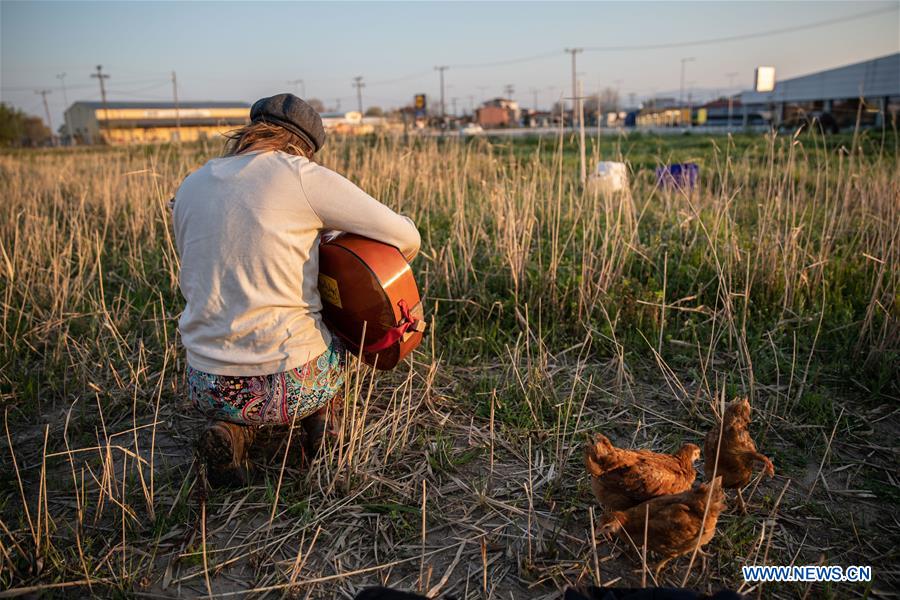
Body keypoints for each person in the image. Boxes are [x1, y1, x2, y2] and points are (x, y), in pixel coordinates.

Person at [172, 93, 420, 486]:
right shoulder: (301, 175)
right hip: (294, 382)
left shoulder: (191, 185)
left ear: (249, 132)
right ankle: (323, 422)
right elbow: (406, 237)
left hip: (205, 382)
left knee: (241, 386)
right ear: (305, 147)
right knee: (338, 324)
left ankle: (231, 430)